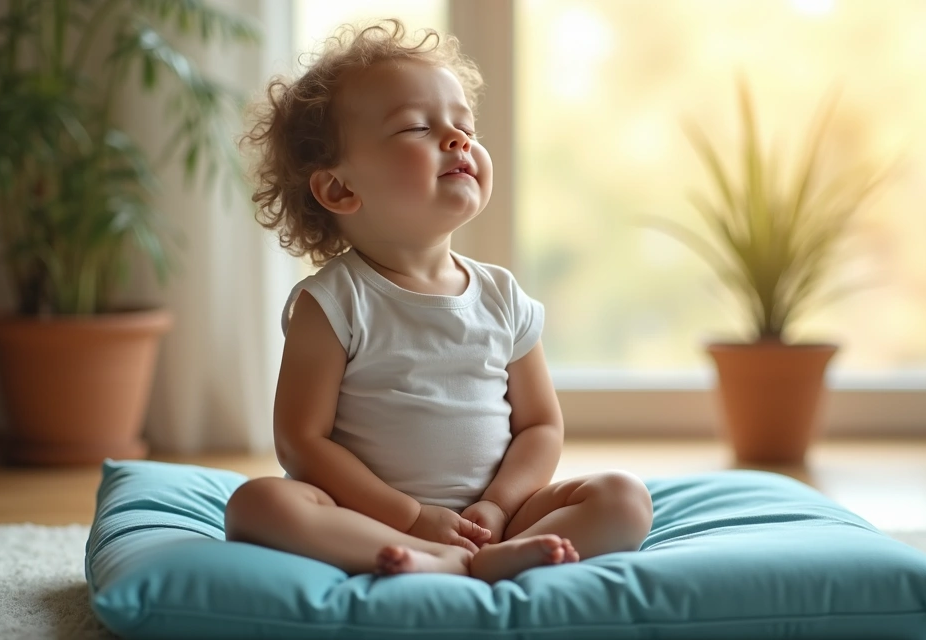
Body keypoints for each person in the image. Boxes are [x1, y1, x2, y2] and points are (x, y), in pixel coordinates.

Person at [225, 19, 653, 584]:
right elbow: (301, 442)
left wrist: (499, 507)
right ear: (340, 189)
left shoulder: (502, 297)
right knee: (257, 505)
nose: (458, 140)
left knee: (624, 497)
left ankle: (492, 555)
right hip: (376, 517)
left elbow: (540, 425)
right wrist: (410, 517)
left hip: (496, 518)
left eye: (464, 126)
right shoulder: (334, 301)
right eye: (416, 129)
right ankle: (437, 560)